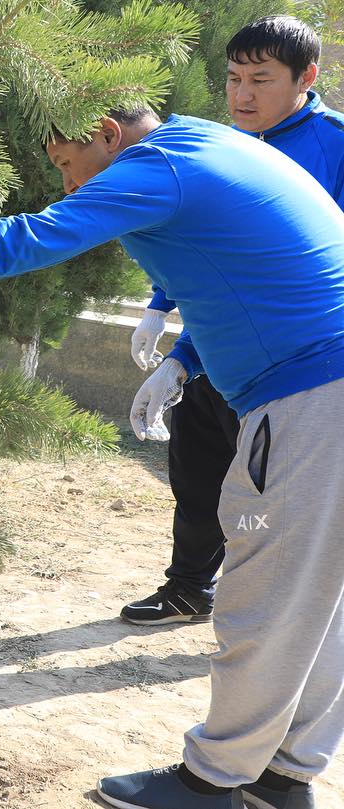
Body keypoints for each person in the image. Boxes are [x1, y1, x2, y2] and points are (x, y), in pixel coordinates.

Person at [0, 104, 344, 809]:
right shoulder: (201, 142)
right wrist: (187, 358)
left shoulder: (157, 164)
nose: (67, 183)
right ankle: (285, 774)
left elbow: (30, 239)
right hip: (323, 375)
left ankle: (213, 782)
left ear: (108, 132)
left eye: (63, 162)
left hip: (311, 390)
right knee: (318, 595)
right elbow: (247, 267)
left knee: (266, 593)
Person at [119, 16, 344, 637]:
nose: (242, 95)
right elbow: (202, 242)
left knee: (274, 501)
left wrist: (181, 352)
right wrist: (160, 305)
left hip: (298, 367)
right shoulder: (222, 144)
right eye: (234, 78)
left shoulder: (334, 145)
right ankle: (190, 587)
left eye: (261, 80)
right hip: (222, 348)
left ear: (307, 78)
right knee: (198, 469)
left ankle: (274, 627)